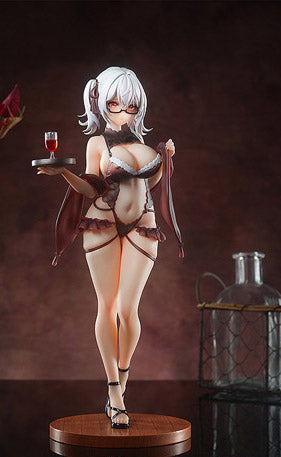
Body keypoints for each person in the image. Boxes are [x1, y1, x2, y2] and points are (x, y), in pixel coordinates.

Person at [38, 66, 183, 428]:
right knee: (107, 305)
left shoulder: (147, 145)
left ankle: (122, 379)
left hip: (143, 224)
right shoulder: (97, 144)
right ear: (100, 101)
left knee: (129, 310)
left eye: (131, 104)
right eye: (115, 102)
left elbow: (152, 183)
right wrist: (64, 174)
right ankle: (114, 391)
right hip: (102, 222)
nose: (123, 110)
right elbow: (92, 187)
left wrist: (167, 159)